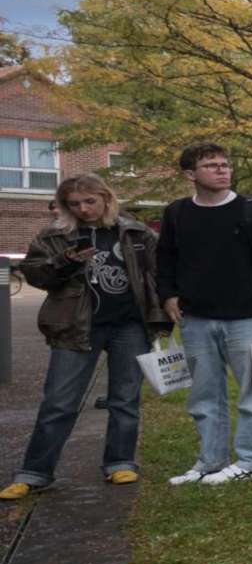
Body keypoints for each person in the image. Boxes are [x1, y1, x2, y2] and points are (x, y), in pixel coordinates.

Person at [3, 176, 164, 500]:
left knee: (125, 399)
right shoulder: (55, 236)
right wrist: (64, 261)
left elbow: (157, 274)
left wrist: (161, 315)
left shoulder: (135, 232)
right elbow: (35, 274)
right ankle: (35, 472)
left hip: (129, 326)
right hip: (75, 325)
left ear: (106, 198)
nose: (83, 209)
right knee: (59, 401)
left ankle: (119, 462)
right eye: (74, 204)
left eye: (89, 201)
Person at [155, 143, 252, 486]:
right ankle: (211, 461)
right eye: (212, 165)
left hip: (246, 320)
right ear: (190, 174)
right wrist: (167, 295)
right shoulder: (177, 213)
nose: (222, 170)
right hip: (195, 320)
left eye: (225, 164)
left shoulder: (251, 210)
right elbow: (165, 259)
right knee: (204, 396)